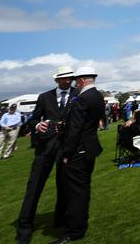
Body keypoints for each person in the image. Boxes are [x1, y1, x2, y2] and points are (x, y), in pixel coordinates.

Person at [15, 65, 77, 244]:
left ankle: (61, 218)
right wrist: (36, 125)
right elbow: (34, 118)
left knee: (64, 184)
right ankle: (25, 226)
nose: (67, 81)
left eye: (69, 78)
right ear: (56, 79)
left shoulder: (77, 94)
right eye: (63, 78)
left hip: (66, 147)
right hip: (46, 147)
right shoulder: (44, 97)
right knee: (34, 185)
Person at [52, 66, 105, 243]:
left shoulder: (82, 98)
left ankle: (74, 230)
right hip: (89, 147)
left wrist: (67, 153)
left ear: (81, 80)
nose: (75, 84)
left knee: (76, 192)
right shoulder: (97, 96)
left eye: (76, 81)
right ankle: (78, 224)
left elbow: (75, 129)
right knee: (82, 188)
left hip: (78, 150)